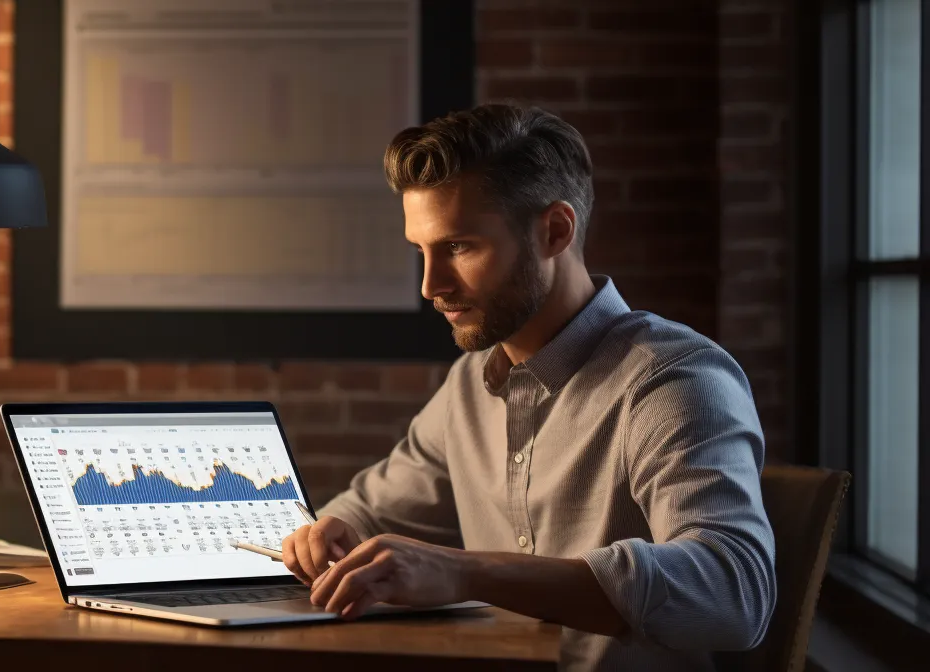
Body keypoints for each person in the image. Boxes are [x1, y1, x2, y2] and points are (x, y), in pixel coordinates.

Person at [280, 104, 775, 671]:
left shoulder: (673, 380)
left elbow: (736, 596)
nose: (430, 286)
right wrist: (327, 538)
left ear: (555, 230)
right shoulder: (471, 384)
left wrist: (466, 571)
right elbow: (368, 513)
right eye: (421, 251)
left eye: (459, 247)